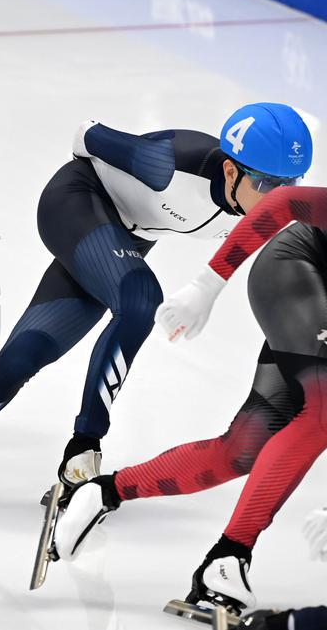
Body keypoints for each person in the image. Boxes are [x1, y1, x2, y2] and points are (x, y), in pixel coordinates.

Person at [0, 103, 313, 517]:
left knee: (20, 360)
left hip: (120, 240)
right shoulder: (168, 165)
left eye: (291, 184)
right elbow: (85, 134)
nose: (281, 197)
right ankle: (85, 447)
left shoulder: (267, 204)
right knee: (141, 299)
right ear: (230, 172)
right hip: (76, 202)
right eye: (268, 184)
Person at [54, 179, 327, 615]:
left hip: (315, 302)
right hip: (297, 271)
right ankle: (228, 558)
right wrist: (206, 285)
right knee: (323, 412)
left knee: (243, 450)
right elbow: (281, 201)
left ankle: (105, 492)